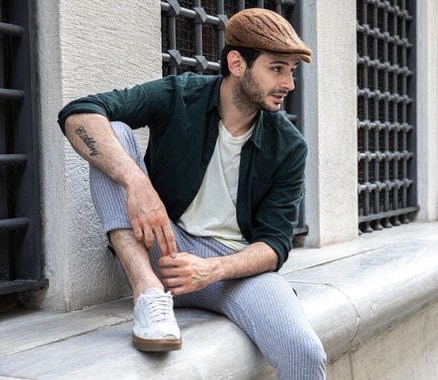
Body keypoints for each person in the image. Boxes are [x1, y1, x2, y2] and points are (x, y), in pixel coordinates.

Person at [58, 7, 326, 379]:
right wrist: (139, 184)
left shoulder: (289, 146)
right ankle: (148, 294)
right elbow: (79, 114)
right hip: (160, 247)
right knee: (112, 133)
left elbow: (275, 245)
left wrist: (210, 269)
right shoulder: (180, 96)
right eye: (277, 68)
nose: (289, 84)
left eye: (291, 71)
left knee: (305, 351)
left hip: (231, 271)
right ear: (237, 62)